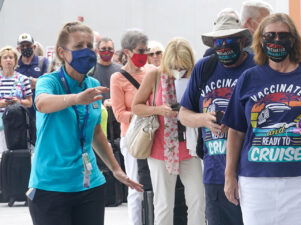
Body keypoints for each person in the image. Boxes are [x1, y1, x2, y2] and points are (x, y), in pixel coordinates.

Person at [222, 13, 301, 225]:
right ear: (260, 40)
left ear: (293, 40)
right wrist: (229, 176)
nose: (276, 41)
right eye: (270, 35)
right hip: (257, 184)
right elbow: (236, 130)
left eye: (283, 36)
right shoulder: (249, 78)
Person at [27, 22, 142, 225]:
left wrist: (116, 169)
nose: (87, 51)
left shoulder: (93, 85)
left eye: (90, 46)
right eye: (79, 46)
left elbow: (96, 133)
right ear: (62, 52)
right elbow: (42, 103)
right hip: (50, 187)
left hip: (90, 186)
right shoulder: (49, 81)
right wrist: (75, 98)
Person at [179, 8, 256, 225]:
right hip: (214, 171)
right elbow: (184, 114)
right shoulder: (205, 67)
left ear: (242, 40)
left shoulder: (256, 66)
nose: (223, 47)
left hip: (251, 170)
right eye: (218, 41)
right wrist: (204, 119)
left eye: (229, 40)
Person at [132, 37, 205, 225]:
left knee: (197, 200)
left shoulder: (196, 75)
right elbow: (136, 107)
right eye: (174, 66)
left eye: (183, 67)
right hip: (161, 148)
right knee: (163, 203)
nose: (178, 71)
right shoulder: (154, 75)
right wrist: (158, 110)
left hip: (190, 148)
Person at [110, 29, 152, 225]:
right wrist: (143, 112)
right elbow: (119, 114)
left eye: (147, 51)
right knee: (135, 186)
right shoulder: (117, 78)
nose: (144, 55)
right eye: (140, 51)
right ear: (127, 52)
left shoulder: (152, 72)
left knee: (157, 185)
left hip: (155, 135)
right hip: (133, 138)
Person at [203, 2, 272, 57]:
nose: (269, 28)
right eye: (265, 22)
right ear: (250, 22)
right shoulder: (254, 52)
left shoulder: (261, 47)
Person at [0, 46, 33, 155]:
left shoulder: (23, 79)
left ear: (15, 61)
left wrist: (18, 102)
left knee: (15, 155)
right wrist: (2, 103)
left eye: (11, 57)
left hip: (17, 124)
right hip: (1, 124)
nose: (8, 60)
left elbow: (29, 103)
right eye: (5, 57)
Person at [92, 37, 121, 101]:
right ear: (97, 50)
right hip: (96, 107)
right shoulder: (91, 70)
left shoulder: (120, 70)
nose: (107, 51)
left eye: (110, 49)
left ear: (114, 50)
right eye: (103, 48)